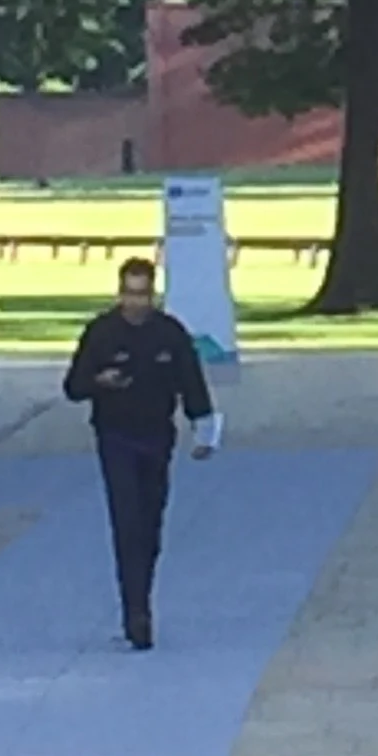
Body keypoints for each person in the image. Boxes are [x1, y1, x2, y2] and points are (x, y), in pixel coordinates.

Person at [63, 257, 220, 648]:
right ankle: (135, 611)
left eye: (143, 295)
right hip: (115, 436)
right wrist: (100, 381)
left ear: (153, 294)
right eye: (130, 294)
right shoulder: (101, 333)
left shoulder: (169, 334)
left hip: (156, 436)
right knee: (126, 520)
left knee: (149, 524)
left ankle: (142, 591)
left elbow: (192, 383)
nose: (136, 303)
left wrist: (204, 430)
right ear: (120, 294)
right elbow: (73, 386)